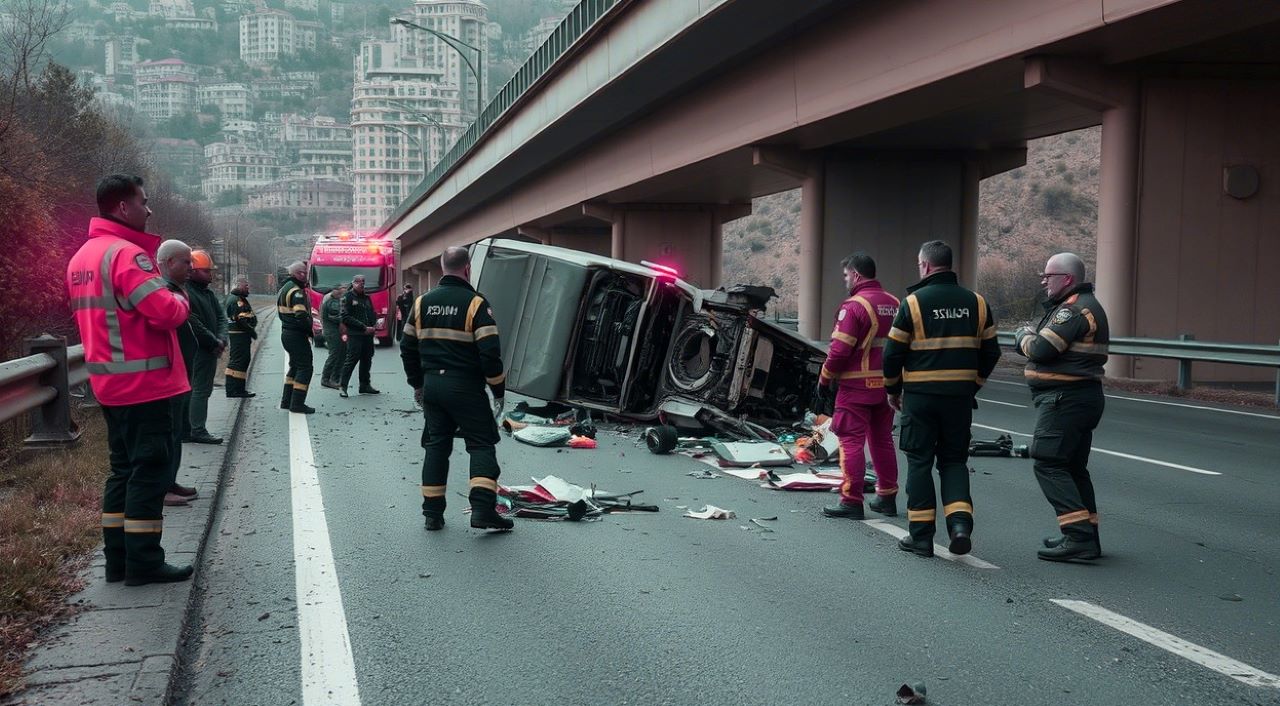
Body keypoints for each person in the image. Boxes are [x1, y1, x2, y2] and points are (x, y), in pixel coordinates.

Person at [66, 174, 194, 586]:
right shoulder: (127, 256)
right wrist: (179, 297)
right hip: (145, 385)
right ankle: (144, 562)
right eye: (143, 201)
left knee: (121, 472)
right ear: (123, 207)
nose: (149, 209)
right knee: (150, 472)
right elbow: (165, 311)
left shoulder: (82, 258)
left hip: (108, 386)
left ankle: (117, 561)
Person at [882, 240, 1000, 558]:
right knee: (954, 462)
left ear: (925, 266)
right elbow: (992, 352)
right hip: (958, 401)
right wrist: (971, 384)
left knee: (920, 462)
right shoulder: (977, 303)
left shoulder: (914, 303)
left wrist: (893, 390)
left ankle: (921, 537)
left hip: (920, 400)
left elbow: (892, 353)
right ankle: (960, 526)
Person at [400, 246, 511, 532]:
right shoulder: (476, 305)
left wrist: (418, 384)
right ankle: (483, 510)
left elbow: (407, 348)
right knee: (482, 443)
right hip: (465, 388)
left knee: (436, 446)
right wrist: (498, 391)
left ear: (441, 265)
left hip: (433, 388)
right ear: (467, 269)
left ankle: (432, 514)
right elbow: (490, 354)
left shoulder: (421, 303)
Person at [1013, 252, 1109, 562]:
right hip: (1079, 398)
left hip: (1064, 399)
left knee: (1049, 462)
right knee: (1073, 467)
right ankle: (1086, 533)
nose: (1043, 280)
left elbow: (1041, 349)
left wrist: (1023, 336)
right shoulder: (1081, 306)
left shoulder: (1073, 311)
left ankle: (1078, 536)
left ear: (1066, 279)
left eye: (1048, 275)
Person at [816, 252, 901, 520]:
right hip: (887, 387)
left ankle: (851, 500)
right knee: (882, 439)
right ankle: (887, 496)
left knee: (851, 441)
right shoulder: (896, 304)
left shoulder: (854, 306)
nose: (845, 281)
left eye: (845, 276)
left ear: (856, 275)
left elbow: (839, 350)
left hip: (856, 387)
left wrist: (825, 379)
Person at [156, 240, 204, 508]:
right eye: (186, 262)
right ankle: (163, 488)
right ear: (170, 262)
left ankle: (170, 482)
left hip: (179, 374)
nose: (191, 267)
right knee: (167, 434)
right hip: (168, 375)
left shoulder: (177, 290)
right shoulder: (163, 292)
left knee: (175, 433)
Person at [184, 249, 227, 444]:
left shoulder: (207, 293)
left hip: (210, 347)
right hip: (199, 349)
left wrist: (221, 338)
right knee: (200, 389)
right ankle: (196, 430)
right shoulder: (186, 293)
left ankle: (190, 428)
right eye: (206, 271)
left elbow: (221, 318)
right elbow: (193, 322)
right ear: (192, 271)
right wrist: (213, 341)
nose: (211, 275)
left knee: (199, 389)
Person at [277, 261, 315, 414]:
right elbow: (301, 315)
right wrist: (310, 331)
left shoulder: (284, 289)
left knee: (294, 367)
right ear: (299, 273)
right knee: (305, 368)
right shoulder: (297, 291)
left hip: (287, 332)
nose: (306, 276)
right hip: (296, 334)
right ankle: (297, 403)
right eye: (305, 273)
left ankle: (287, 401)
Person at [338, 274, 379, 397]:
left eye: (363, 282)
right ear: (353, 283)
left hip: (368, 334)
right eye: (358, 282)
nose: (361, 284)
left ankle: (364, 385)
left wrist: (373, 325)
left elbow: (371, 312)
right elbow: (345, 316)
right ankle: (343, 386)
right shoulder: (347, 297)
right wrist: (363, 327)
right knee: (351, 360)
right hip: (355, 334)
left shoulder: (366, 298)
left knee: (367, 359)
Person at [224, 275, 257, 398]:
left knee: (242, 361)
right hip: (239, 335)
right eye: (245, 285)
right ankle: (234, 390)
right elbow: (241, 320)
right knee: (238, 361)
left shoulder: (240, 298)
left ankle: (238, 389)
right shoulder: (236, 300)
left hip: (241, 334)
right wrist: (251, 331)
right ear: (238, 285)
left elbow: (250, 316)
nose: (248, 287)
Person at [319, 283, 347, 389]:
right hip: (332, 332)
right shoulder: (331, 302)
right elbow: (337, 317)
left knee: (342, 354)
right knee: (334, 354)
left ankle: (335, 378)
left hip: (337, 332)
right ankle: (326, 379)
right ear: (334, 291)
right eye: (339, 289)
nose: (341, 291)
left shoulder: (338, 300)